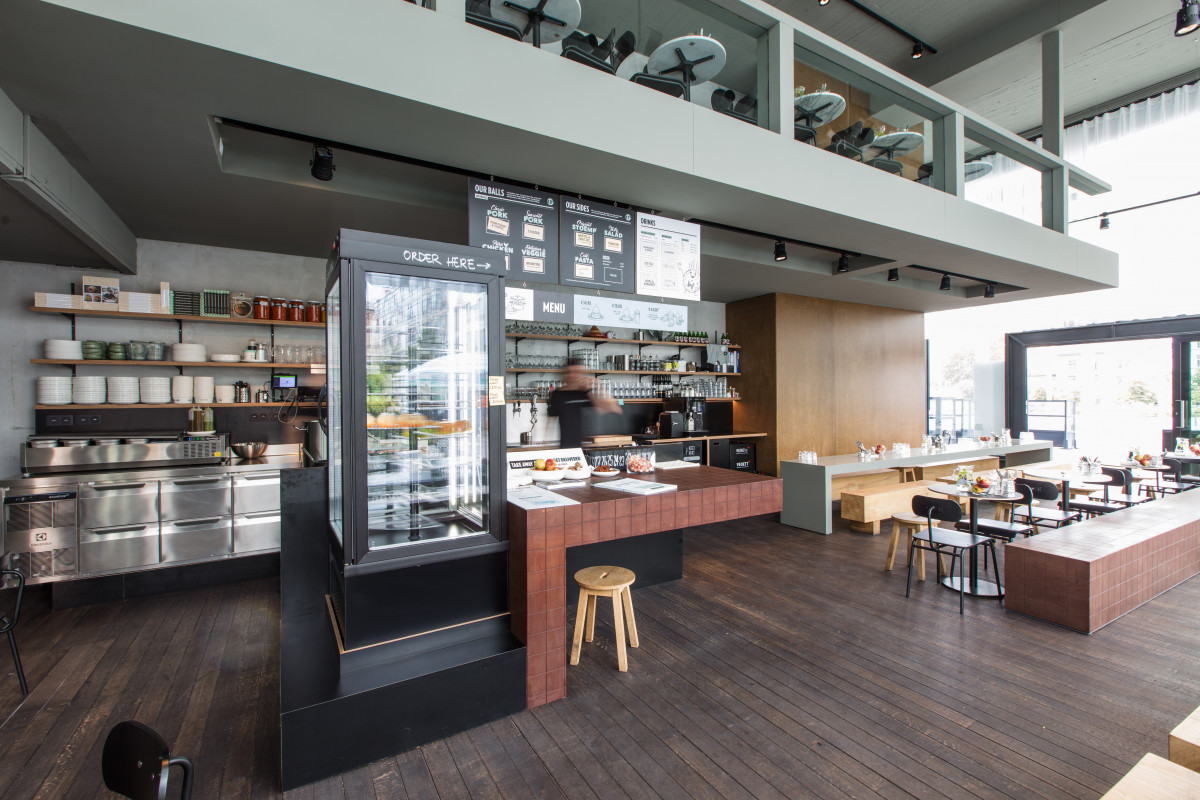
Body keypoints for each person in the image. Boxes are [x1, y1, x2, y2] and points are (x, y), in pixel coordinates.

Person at [547, 357, 621, 448]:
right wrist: (547, 448)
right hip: (567, 448)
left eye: (576, 372)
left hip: (588, 448)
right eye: (569, 372)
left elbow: (615, 409)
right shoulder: (558, 394)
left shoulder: (587, 393)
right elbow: (549, 424)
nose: (572, 375)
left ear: (582, 374)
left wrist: (600, 387)